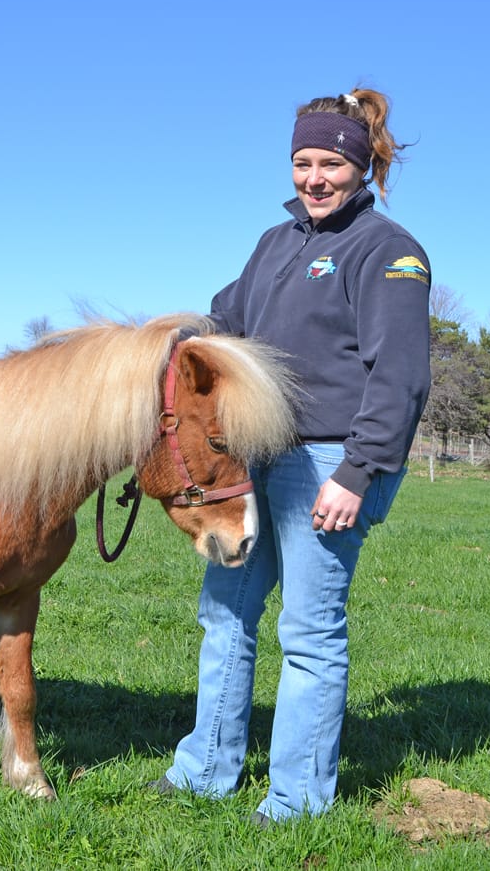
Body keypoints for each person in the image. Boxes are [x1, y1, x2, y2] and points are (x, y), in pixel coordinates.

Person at [151, 88, 432, 826]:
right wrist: (159, 338)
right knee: (225, 615)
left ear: (362, 164)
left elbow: (399, 377)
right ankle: (207, 768)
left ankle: (297, 800)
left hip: (330, 463)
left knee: (307, 633)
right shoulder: (277, 243)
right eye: (303, 161)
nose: (314, 177)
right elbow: (225, 322)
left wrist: (356, 473)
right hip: (259, 456)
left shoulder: (389, 252)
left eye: (331, 163)